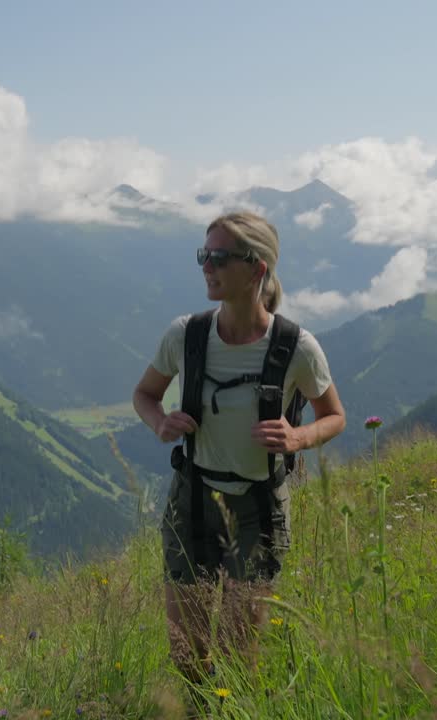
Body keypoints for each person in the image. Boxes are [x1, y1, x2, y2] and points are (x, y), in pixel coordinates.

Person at [131, 211, 346, 684]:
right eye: (204, 255)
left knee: (236, 655)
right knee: (186, 653)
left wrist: (299, 437)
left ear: (257, 269)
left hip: (258, 506)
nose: (208, 266)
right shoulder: (186, 335)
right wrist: (160, 422)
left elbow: (335, 416)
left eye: (220, 257)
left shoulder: (296, 347)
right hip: (192, 498)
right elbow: (144, 395)